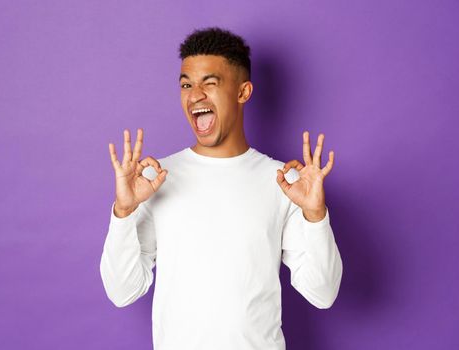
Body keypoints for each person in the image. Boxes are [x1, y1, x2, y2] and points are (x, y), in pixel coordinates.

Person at [100, 27, 343, 350]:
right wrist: (124, 212)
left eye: (209, 83)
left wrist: (315, 215)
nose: (195, 95)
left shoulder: (284, 183)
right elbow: (122, 291)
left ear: (243, 92)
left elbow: (323, 293)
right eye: (186, 84)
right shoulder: (153, 180)